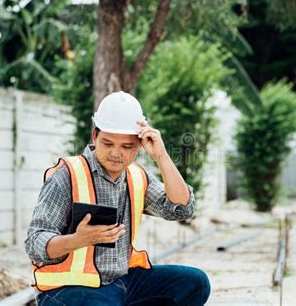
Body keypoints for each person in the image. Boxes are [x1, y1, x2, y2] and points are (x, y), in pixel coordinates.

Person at [25, 91, 211, 305]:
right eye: (108, 143)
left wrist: (161, 156)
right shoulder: (68, 175)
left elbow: (182, 208)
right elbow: (34, 242)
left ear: (140, 144)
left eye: (126, 146)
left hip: (122, 282)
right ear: (95, 135)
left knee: (196, 283)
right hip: (69, 289)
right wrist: (76, 240)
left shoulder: (136, 177)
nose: (115, 153)